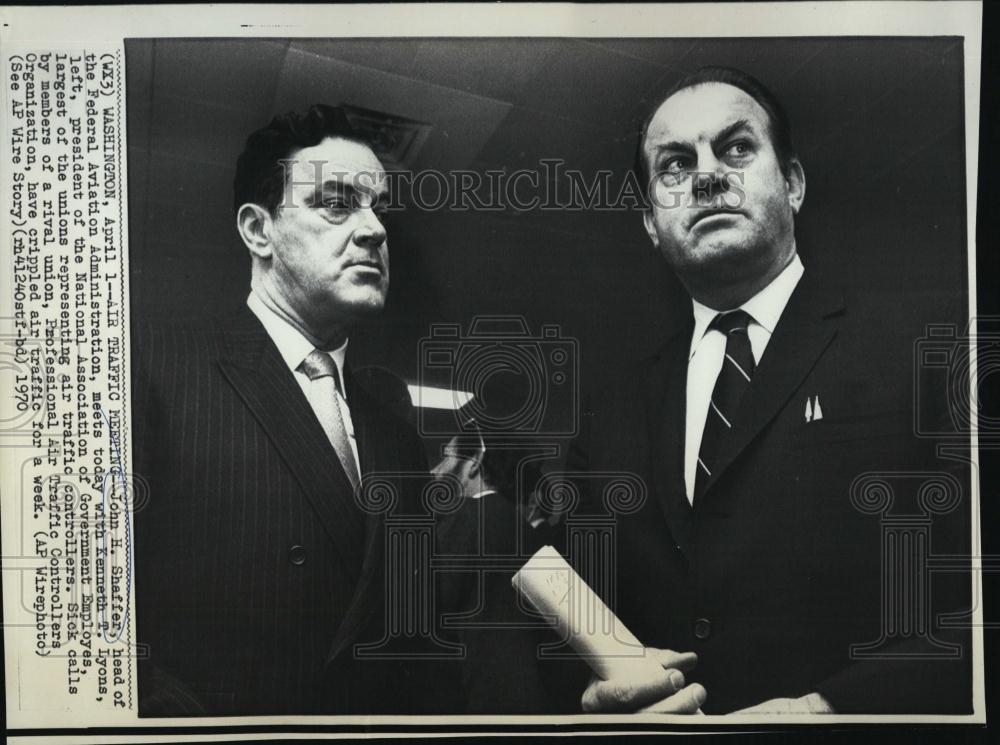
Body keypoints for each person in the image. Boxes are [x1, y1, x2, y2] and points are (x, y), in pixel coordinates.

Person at [562, 67, 972, 714]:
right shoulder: (610, 411)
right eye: (675, 165)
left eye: (735, 148)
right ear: (649, 222)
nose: (706, 176)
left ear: (793, 183)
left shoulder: (934, 341)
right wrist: (598, 693)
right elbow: (587, 618)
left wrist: (821, 709)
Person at [133, 105, 469, 715]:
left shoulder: (395, 436)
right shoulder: (153, 367)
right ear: (259, 231)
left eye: (377, 207)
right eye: (336, 203)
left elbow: (416, 646)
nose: (374, 230)